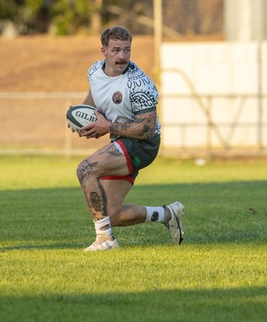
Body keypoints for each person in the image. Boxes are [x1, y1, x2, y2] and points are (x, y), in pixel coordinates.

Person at [73, 26, 184, 251]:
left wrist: (107, 126)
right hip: (121, 140)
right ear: (103, 50)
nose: (122, 56)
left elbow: (147, 128)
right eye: (116, 50)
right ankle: (167, 214)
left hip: (143, 144)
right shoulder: (95, 70)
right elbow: (94, 95)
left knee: (86, 169)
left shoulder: (139, 84)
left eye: (126, 50)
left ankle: (105, 239)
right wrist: (81, 116)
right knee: (111, 213)